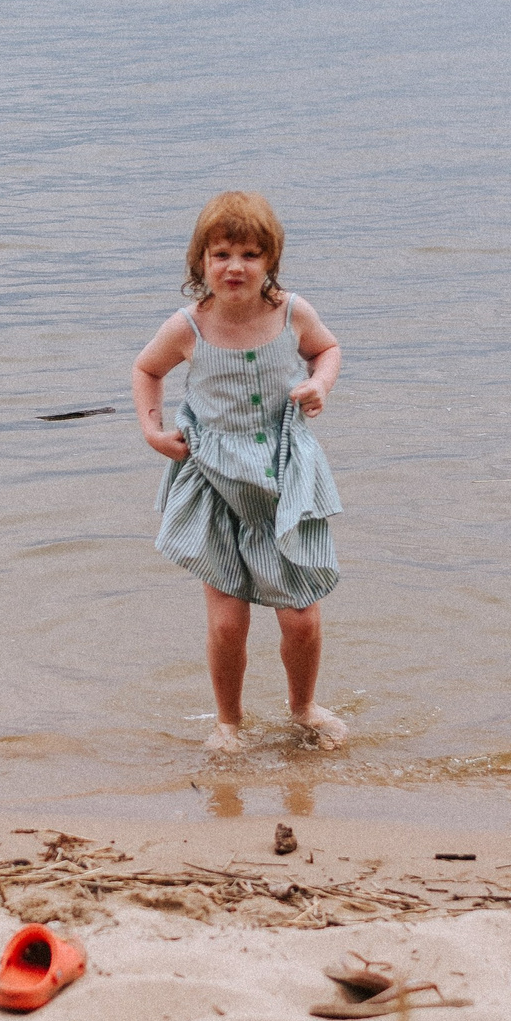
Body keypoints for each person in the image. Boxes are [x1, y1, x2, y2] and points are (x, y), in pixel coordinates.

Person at [132, 192, 347, 753]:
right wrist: (154, 432)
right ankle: (229, 724)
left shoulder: (292, 312)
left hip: (282, 476)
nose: (235, 266)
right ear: (199, 262)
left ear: (270, 260)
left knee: (300, 618)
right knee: (229, 621)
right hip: (214, 480)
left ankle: (302, 709)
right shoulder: (188, 326)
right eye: (221, 253)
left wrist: (319, 384)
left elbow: (326, 350)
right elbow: (146, 369)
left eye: (250, 254)